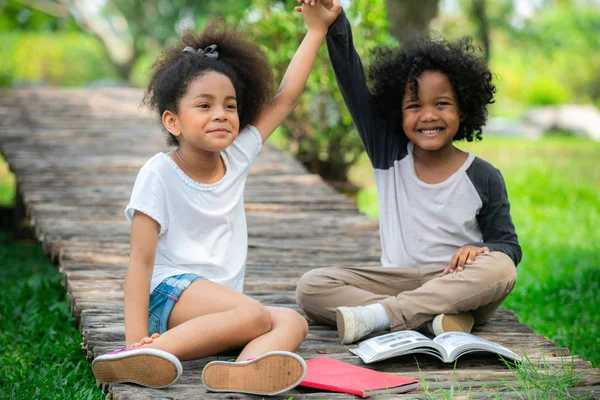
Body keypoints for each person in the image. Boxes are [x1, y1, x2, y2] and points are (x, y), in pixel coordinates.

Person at [91, 3, 337, 396]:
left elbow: (287, 97)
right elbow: (140, 261)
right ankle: (142, 357)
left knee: (292, 322)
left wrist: (316, 31)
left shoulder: (236, 157)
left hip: (223, 312)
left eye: (230, 105)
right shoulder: (159, 173)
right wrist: (134, 339)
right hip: (168, 296)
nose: (220, 114)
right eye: (204, 106)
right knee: (253, 313)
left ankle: (243, 371)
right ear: (173, 121)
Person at [295, 0, 521, 345]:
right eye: (414, 106)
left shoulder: (484, 176)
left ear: (463, 108)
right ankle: (432, 322)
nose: (428, 116)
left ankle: (382, 316)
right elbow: (353, 83)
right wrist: (335, 23)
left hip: (455, 282)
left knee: (501, 267)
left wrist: (482, 249)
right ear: (396, 114)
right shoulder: (389, 153)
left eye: (441, 104)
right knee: (311, 286)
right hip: (395, 278)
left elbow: (508, 245)